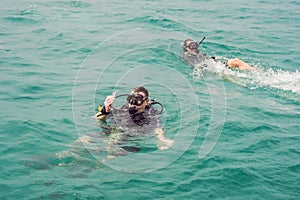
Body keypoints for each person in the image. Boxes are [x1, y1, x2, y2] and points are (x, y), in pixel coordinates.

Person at [90, 86, 174, 155]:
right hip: (112, 131)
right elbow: (95, 118)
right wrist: (105, 110)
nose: (133, 104)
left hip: (128, 139)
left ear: (146, 102)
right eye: (131, 100)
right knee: (84, 140)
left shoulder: (151, 113)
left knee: (110, 154)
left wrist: (162, 139)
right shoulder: (123, 108)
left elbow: (157, 128)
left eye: (138, 101)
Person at [183, 38, 254, 71]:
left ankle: (255, 72)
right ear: (187, 48)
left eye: (195, 45)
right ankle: (256, 72)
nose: (194, 47)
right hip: (211, 66)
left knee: (235, 62)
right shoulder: (187, 55)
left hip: (212, 64)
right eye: (192, 46)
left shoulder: (197, 53)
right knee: (236, 62)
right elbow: (195, 65)